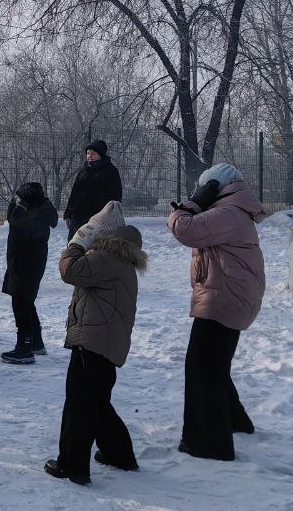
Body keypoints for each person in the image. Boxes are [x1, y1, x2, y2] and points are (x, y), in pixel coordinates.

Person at [168, 164, 269, 462]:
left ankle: (209, 442)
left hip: (223, 296)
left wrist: (192, 204)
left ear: (215, 187)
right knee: (213, 364)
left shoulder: (228, 212)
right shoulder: (234, 208)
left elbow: (184, 228)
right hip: (227, 293)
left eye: (204, 187)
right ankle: (235, 420)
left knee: (203, 368)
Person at [44, 201, 147, 485]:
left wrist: (76, 245)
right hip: (104, 342)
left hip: (93, 341)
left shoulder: (106, 257)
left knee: (79, 405)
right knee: (97, 403)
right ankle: (120, 454)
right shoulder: (119, 257)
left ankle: (72, 465)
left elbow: (70, 271)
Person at [0, 182, 59, 364]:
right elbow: (12, 219)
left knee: (21, 302)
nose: (17, 201)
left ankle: (24, 347)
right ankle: (35, 341)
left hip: (27, 263)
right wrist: (16, 205)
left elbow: (23, 230)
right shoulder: (31, 209)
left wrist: (19, 209)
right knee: (25, 300)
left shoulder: (38, 213)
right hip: (21, 261)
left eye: (20, 198)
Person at [63, 140, 123, 241]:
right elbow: (74, 193)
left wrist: (107, 216)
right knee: (76, 247)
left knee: (93, 250)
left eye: (93, 153)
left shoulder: (110, 171)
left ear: (101, 155)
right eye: (88, 153)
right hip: (78, 219)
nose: (89, 156)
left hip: (99, 219)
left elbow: (116, 197)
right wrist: (69, 214)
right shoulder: (84, 170)